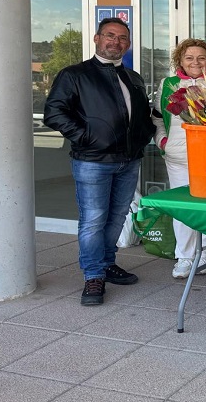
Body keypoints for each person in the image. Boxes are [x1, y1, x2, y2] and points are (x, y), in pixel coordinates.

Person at [43, 17, 155, 306]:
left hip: (128, 160)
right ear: (97, 38)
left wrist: (144, 136)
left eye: (122, 38)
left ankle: (106, 263)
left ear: (127, 44)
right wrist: (87, 137)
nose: (115, 42)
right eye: (110, 35)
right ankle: (93, 275)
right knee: (93, 220)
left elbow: (142, 116)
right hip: (93, 160)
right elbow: (54, 113)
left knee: (117, 217)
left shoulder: (134, 78)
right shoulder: (74, 75)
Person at [151, 38, 206, 279]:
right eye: (189, 57)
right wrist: (163, 141)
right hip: (178, 155)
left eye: (201, 57)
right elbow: (157, 117)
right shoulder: (168, 84)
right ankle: (184, 255)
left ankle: (204, 252)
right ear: (180, 60)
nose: (195, 62)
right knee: (182, 207)